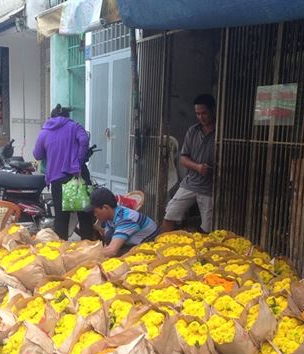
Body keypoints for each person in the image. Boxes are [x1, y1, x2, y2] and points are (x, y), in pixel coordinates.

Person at [33, 104, 94, 241]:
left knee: (61, 217)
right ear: (67, 116)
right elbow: (84, 140)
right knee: (84, 215)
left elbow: (37, 154)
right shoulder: (74, 126)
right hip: (78, 175)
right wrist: (78, 161)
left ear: (52, 116)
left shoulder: (45, 131)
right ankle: (88, 249)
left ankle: (62, 251)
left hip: (57, 178)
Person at [161, 94, 216, 234]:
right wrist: (198, 167)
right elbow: (182, 159)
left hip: (210, 188)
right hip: (190, 183)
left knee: (207, 228)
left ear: (213, 110)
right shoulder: (193, 131)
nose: (201, 117)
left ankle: (203, 254)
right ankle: (163, 246)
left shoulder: (221, 133)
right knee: (169, 214)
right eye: (198, 114)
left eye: (204, 113)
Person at [88, 187, 159, 257]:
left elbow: (112, 251)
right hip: (134, 244)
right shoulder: (111, 216)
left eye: (95, 211)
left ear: (105, 208)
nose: (94, 215)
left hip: (154, 247)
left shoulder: (125, 219)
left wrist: (87, 256)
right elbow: (107, 245)